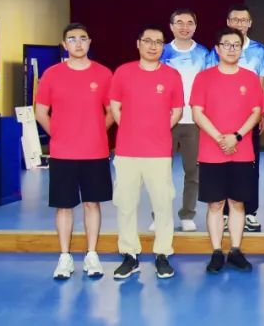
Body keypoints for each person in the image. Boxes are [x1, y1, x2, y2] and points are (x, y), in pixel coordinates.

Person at [34, 23, 114, 280]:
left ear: (89, 42)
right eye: (72, 39)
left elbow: (112, 111)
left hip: (95, 152)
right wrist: (58, 134)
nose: (78, 43)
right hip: (62, 153)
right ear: (64, 44)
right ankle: (65, 257)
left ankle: (92, 254)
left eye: (82, 38)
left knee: (92, 203)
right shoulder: (51, 74)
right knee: (64, 205)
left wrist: (96, 131)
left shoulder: (104, 74)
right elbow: (40, 112)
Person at [109, 26, 184, 280]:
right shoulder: (123, 72)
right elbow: (115, 107)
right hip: (127, 151)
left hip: (159, 152)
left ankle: (162, 253)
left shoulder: (172, 75)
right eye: (148, 41)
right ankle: (129, 255)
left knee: (162, 204)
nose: (153, 46)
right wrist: (132, 129)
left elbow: (177, 111)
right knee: (126, 204)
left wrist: (158, 130)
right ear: (138, 43)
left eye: (159, 42)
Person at [190, 27, 263, 273]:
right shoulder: (204, 78)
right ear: (217, 49)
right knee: (215, 204)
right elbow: (198, 112)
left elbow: (256, 112)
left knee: (237, 203)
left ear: (241, 50)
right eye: (227, 44)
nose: (232, 49)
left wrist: (237, 136)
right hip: (212, 151)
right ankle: (216, 252)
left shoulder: (250, 78)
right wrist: (220, 138)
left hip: (241, 150)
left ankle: (235, 250)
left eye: (236, 45)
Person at [207, 4, 264, 232]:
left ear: (250, 23)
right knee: (221, 166)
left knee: (250, 167)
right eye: (235, 20)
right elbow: (209, 81)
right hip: (220, 119)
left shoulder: (260, 50)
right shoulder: (215, 51)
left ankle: (250, 212)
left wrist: (262, 112)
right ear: (228, 22)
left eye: (244, 20)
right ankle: (224, 213)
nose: (239, 24)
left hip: (249, 119)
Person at [159, 8, 211, 232]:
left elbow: (210, 85)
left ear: (195, 26)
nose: (184, 27)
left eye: (189, 23)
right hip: (165, 121)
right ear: (171, 26)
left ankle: (187, 214)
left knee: (193, 172)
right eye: (179, 22)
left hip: (195, 121)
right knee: (160, 172)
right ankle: (159, 215)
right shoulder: (161, 51)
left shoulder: (204, 54)